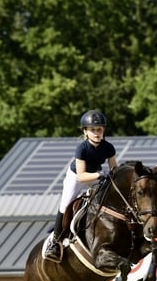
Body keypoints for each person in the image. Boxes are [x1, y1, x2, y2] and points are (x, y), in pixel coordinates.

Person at [43, 109, 118, 262]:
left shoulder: (108, 147)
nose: (96, 133)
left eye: (99, 129)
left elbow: (114, 170)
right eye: (92, 130)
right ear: (85, 131)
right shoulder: (82, 149)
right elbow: (82, 176)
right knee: (65, 204)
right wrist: (100, 175)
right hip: (77, 177)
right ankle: (55, 242)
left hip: (96, 174)